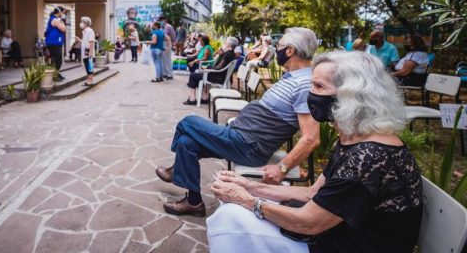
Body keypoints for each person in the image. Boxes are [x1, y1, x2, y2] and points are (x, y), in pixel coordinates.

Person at [207, 50, 423, 253]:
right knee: (234, 210)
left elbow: (309, 222)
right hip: (334, 235)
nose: (311, 94)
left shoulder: (370, 156)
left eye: (319, 87)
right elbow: (312, 193)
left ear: (351, 96)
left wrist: (248, 200)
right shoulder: (356, 139)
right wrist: (249, 186)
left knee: (232, 215)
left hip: (346, 245)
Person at [155, 27, 320, 216]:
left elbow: (311, 138)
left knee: (188, 122)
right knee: (187, 144)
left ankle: (174, 171)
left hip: (248, 145)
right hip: (240, 137)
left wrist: (282, 168)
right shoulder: (293, 78)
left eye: (280, 45)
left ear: (290, 51)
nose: (277, 49)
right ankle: (194, 203)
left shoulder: (304, 85)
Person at [183, 37, 239, 105]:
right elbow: (220, 66)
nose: (223, 44)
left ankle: (192, 99)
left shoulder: (227, 54)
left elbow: (218, 67)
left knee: (193, 76)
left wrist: (207, 67)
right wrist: (220, 55)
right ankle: (205, 98)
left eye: (225, 43)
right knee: (198, 75)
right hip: (219, 75)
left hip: (217, 77)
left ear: (228, 45)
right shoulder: (230, 54)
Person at [45, 7, 67, 79]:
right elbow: (64, 29)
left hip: (56, 42)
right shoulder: (55, 20)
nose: (63, 14)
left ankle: (56, 73)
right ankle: (54, 75)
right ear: (59, 12)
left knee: (58, 59)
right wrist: (62, 22)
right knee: (56, 59)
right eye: (63, 12)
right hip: (53, 43)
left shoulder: (56, 19)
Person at [80, 17, 96, 86]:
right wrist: (79, 40)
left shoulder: (89, 31)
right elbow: (85, 42)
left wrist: (90, 53)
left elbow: (91, 42)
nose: (81, 24)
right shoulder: (85, 31)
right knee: (87, 66)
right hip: (85, 53)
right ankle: (89, 80)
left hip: (88, 53)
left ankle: (90, 81)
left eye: (82, 22)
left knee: (89, 67)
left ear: (86, 23)